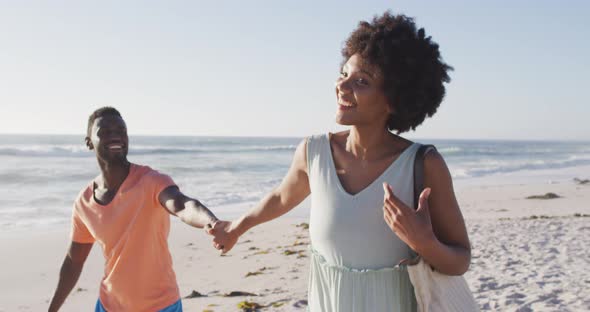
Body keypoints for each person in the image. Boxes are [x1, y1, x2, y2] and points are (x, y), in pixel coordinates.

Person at [207, 12, 471, 311]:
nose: (342, 87)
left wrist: (425, 243)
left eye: (361, 81)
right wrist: (237, 228)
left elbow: (460, 260)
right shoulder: (314, 151)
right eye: (343, 74)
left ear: (394, 98)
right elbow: (281, 197)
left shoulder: (423, 164)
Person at [48, 107, 219, 312]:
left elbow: (182, 204)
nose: (115, 136)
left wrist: (211, 221)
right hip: (109, 305)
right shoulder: (84, 202)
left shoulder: (151, 181)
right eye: (105, 131)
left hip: (160, 305)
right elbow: (74, 262)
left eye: (121, 130)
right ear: (89, 142)